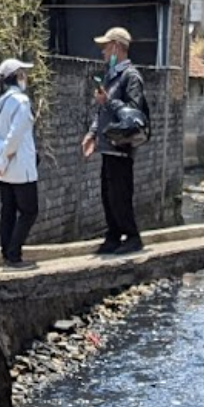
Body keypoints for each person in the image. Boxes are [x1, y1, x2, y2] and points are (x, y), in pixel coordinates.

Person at [80, 26, 148, 256]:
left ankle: (132, 236)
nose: (103, 53)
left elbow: (133, 113)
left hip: (121, 146)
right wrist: (92, 134)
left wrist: (108, 100)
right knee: (108, 194)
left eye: (106, 47)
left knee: (120, 193)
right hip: (108, 146)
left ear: (117, 47)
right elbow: (102, 112)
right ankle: (113, 234)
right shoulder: (112, 76)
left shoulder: (131, 77)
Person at [0, 56, 39, 266]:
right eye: (22, 73)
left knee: (8, 210)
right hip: (21, 167)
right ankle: (14, 254)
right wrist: (7, 151)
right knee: (29, 211)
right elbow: (15, 135)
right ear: (16, 77)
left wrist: (0, 151)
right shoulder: (22, 102)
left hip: (2, 167)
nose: (25, 77)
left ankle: (7, 254)